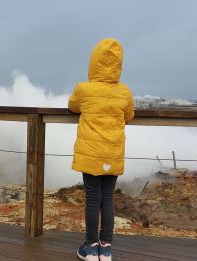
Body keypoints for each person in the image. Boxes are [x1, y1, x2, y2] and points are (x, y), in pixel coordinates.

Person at [68, 38, 134, 261]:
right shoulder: (124, 92)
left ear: (93, 62)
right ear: (118, 65)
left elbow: (72, 105)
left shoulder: (84, 89)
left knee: (92, 198)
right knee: (108, 198)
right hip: (112, 153)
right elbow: (129, 116)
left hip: (91, 153)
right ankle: (106, 249)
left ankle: (90, 247)